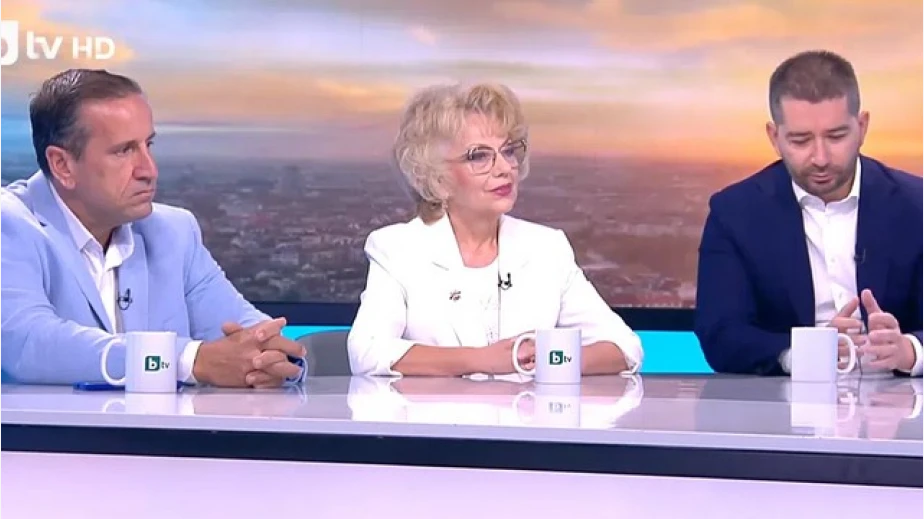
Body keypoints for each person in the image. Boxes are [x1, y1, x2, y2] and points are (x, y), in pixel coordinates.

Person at [0, 68, 307, 387]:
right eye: (124, 150)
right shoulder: (10, 224)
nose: (149, 170)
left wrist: (273, 362)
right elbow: (26, 341)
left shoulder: (173, 231)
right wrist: (188, 361)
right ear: (62, 165)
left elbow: (255, 334)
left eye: (148, 145)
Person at [347, 82, 643, 377]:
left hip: (528, 409)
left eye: (509, 151)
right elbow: (367, 352)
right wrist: (480, 360)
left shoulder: (546, 248)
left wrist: (544, 360)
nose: (504, 168)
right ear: (436, 175)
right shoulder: (398, 248)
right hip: (440, 409)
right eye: (479, 156)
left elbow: (624, 348)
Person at [694, 50, 923, 377]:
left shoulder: (916, 205)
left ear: (862, 127)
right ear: (774, 137)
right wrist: (805, 352)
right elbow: (721, 334)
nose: (820, 158)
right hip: (784, 399)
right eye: (800, 140)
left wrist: (911, 351)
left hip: (903, 399)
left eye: (836, 136)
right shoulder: (735, 213)